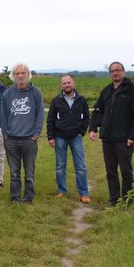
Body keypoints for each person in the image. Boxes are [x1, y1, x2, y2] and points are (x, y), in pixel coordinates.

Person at [89, 61, 134, 207]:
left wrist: (133, 136)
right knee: (111, 171)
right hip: (108, 137)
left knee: (126, 171)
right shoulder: (106, 91)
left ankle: (127, 200)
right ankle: (114, 200)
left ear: (123, 71)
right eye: (112, 71)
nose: (115, 73)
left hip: (124, 138)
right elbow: (97, 110)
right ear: (110, 74)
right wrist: (93, 128)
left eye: (118, 70)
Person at [1, 62, 44, 204]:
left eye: (22, 73)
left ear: (28, 75)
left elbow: (40, 115)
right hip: (11, 140)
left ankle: (28, 197)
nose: (20, 76)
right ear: (13, 76)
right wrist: (6, 136)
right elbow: (4, 116)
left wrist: (36, 134)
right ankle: (15, 197)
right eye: (17, 74)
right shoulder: (8, 93)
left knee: (29, 172)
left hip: (29, 140)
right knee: (14, 172)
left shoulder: (36, 93)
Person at [47, 75, 91, 203]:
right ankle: (62, 190)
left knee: (80, 166)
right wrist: (51, 137)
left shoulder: (81, 100)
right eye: (64, 83)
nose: (67, 85)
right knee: (60, 165)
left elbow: (87, 117)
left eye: (69, 82)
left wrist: (82, 132)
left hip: (76, 137)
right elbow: (50, 120)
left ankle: (84, 193)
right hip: (60, 136)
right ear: (61, 85)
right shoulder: (56, 100)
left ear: (73, 83)